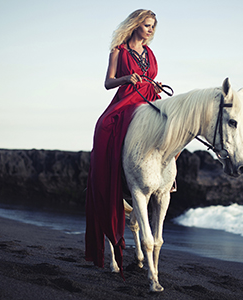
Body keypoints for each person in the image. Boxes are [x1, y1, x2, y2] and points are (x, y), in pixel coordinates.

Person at [85, 9, 162, 277]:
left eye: (153, 26)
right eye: (147, 25)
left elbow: (150, 77)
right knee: (105, 127)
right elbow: (108, 83)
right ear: (136, 25)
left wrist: (155, 84)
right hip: (126, 99)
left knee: (171, 128)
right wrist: (126, 79)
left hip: (150, 96)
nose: (151, 30)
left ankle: (168, 178)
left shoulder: (151, 53)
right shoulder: (118, 50)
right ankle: (112, 172)